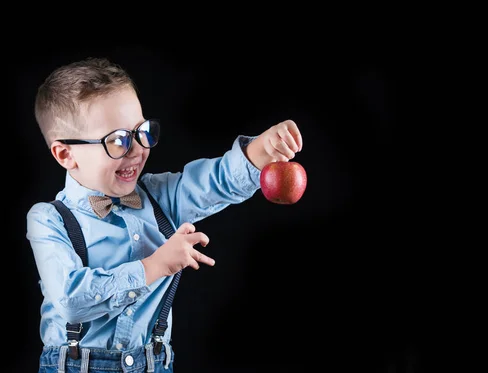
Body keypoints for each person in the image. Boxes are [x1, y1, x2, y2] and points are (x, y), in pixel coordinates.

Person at [26, 56, 303, 373]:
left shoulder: (160, 197)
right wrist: (154, 266)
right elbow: (71, 300)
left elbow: (216, 181)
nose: (137, 150)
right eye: (118, 140)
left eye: (141, 131)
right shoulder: (48, 219)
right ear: (66, 154)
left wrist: (262, 151)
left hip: (154, 363)